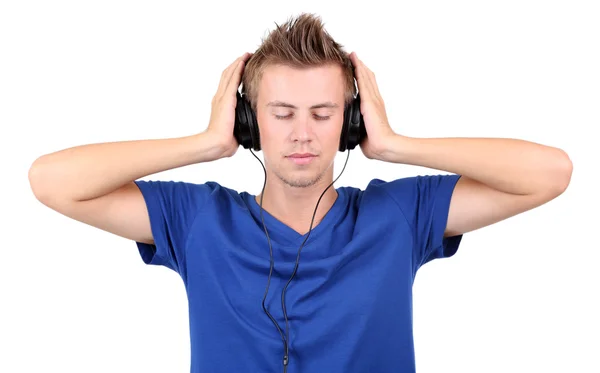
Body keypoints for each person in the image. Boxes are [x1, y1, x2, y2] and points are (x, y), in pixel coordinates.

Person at [28, 12, 572, 373]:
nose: (302, 134)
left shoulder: (400, 215)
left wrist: (397, 145)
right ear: (249, 123)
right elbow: (51, 182)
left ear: (351, 123)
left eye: (323, 113)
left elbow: (550, 173)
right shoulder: (196, 219)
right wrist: (203, 144)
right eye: (281, 113)